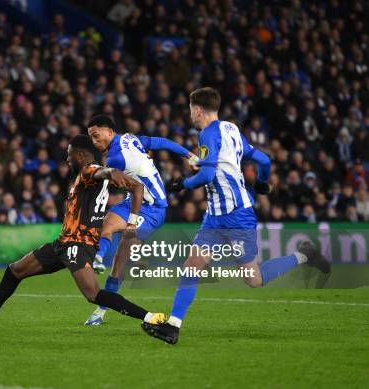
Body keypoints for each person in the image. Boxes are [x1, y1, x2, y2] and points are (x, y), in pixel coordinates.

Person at [142, 87, 331, 344]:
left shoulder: (207, 134)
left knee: (254, 279)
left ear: (197, 110)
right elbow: (263, 159)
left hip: (237, 216)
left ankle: (304, 254)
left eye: (190, 110)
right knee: (191, 266)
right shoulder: (231, 128)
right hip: (215, 216)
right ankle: (173, 326)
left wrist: (181, 185)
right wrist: (262, 183)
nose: (190, 115)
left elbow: (208, 176)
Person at [0, 135, 166, 331]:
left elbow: (112, 176)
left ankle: (150, 317)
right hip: (63, 243)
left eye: (69, 154)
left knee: (93, 295)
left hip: (78, 244)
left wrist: (111, 173)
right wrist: (111, 175)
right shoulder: (91, 174)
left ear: (80, 156)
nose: (66, 159)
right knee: (15, 270)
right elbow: (135, 187)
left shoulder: (88, 171)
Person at [84, 114, 197, 325]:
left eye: (97, 136)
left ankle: (100, 309)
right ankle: (99, 258)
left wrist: (132, 221)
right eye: (91, 137)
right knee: (106, 225)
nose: (94, 142)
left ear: (110, 132)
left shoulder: (115, 159)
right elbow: (161, 142)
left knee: (119, 264)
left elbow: (137, 187)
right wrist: (188, 154)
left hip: (152, 209)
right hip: (133, 200)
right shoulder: (130, 139)